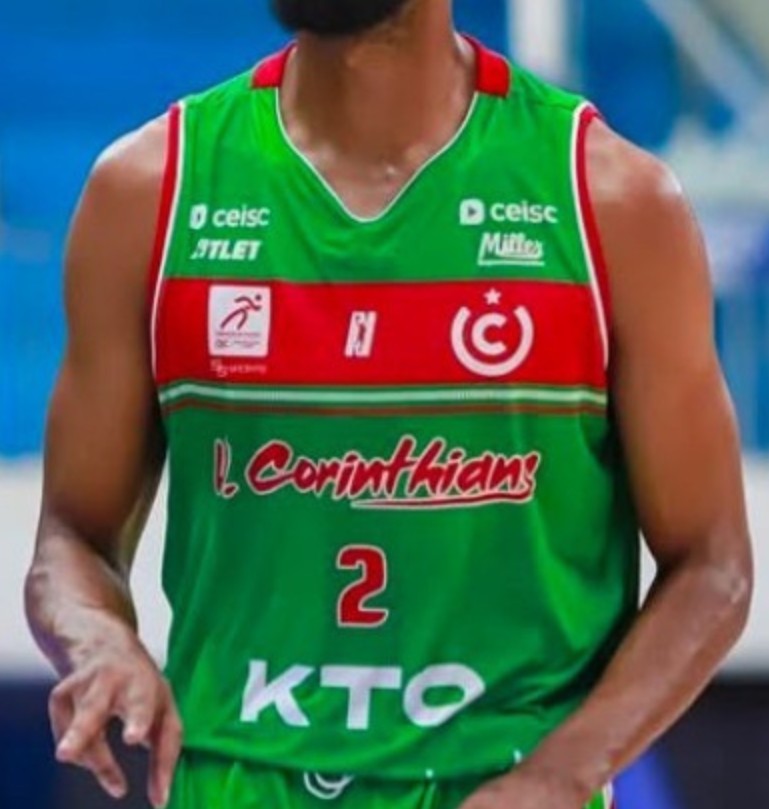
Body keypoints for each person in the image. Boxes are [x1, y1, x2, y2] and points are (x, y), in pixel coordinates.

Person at [25, 1, 753, 808]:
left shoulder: (611, 202)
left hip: (497, 782)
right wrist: (98, 637)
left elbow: (711, 562)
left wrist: (563, 770)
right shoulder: (148, 191)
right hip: (232, 781)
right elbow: (72, 535)